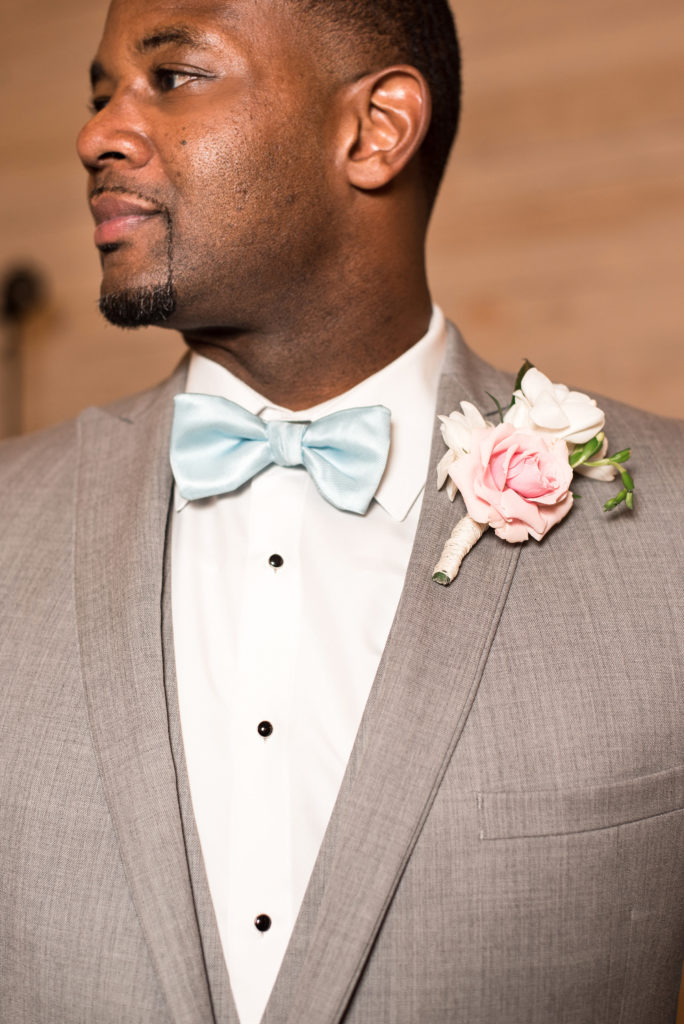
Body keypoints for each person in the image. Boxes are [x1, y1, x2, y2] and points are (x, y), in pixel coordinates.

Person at [1, 1, 682, 1022]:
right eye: (99, 94)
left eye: (173, 78)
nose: (97, 134)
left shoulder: (666, 523)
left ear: (375, 131)